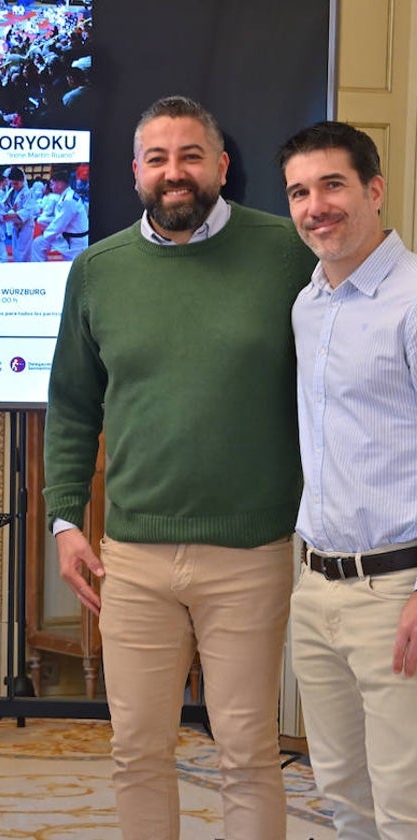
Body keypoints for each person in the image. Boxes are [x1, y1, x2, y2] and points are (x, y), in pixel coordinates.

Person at [43, 95, 316, 840]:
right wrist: (66, 520)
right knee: (136, 752)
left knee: (249, 756)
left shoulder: (288, 253)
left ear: (222, 166)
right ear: (136, 173)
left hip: (251, 555)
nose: (175, 173)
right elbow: (71, 406)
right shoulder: (97, 272)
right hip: (132, 560)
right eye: (158, 159)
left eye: (191, 156)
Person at [278, 120, 417, 838]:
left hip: (398, 592)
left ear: (374, 189)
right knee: (340, 791)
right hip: (317, 587)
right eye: (300, 192)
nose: (315, 206)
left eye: (332, 184)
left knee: (406, 801)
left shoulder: (414, 297)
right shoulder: (308, 305)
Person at [30, 168, 88, 261]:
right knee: (38, 243)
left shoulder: (68, 200)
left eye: (52, 184)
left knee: (39, 243)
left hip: (74, 243)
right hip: (68, 235)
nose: (51, 187)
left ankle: (40, 271)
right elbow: (59, 220)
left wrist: (45, 234)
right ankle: (40, 270)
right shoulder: (67, 194)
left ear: (60, 184)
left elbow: (59, 225)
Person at [1, 167, 38, 262]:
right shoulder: (11, 191)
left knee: (24, 252)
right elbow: (5, 205)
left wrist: (11, 215)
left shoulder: (28, 193)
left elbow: (28, 212)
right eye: (12, 183)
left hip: (25, 226)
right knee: (16, 251)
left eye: (16, 183)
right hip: (15, 225)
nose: (14, 186)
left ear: (22, 181)